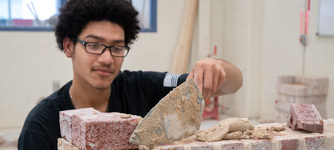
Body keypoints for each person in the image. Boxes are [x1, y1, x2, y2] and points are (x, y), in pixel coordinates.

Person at [18, 0, 243, 149]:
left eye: (117, 48)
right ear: (68, 47)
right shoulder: (42, 125)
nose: (107, 58)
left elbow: (232, 84)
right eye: (94, 45)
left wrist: (213, 66)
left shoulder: (142, 88)